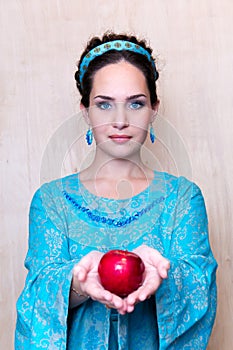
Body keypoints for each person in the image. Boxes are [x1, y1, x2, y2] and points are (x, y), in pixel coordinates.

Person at [15, 32, 217, 349]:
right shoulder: (51, 201)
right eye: (104, 104)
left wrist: (163, 276)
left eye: (135, 104)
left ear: (154, 109)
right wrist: (79, 283)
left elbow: (199, 288)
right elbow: (35, 302)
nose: (120, 120)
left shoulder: (183, 199)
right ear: (85, 110)